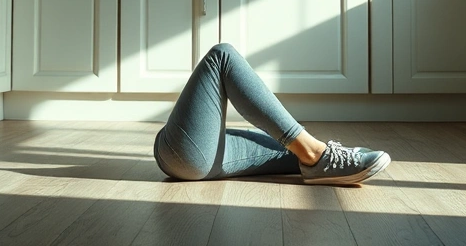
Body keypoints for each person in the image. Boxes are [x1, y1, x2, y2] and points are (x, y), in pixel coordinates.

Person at [153, 43, 391, 185]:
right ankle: (317, 152)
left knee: (289, 152)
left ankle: (319, 159)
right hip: (180, 152)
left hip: (200, 157)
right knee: (221, 56)